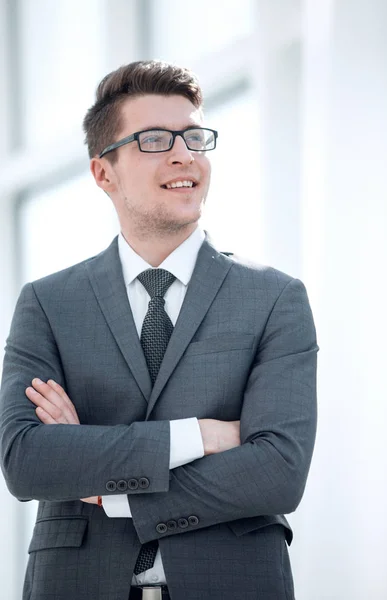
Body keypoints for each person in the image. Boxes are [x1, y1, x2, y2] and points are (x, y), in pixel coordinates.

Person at [0, 60, 318, 600]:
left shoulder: (274, 298)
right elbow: (27, 461)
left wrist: (104, 481)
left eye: (194, 136)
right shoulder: (48, 304)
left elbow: (278, 471)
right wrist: (199, 436)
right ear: (105, 172)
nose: (185, 154)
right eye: (155, 139)